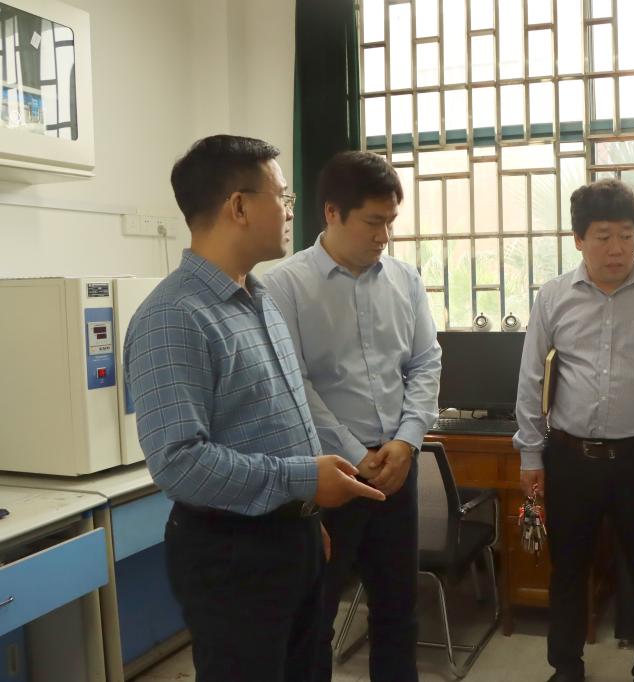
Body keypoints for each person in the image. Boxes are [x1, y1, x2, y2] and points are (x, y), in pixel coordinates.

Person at [124, 135, 385, 682]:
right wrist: (303, 482)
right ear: (239, 206)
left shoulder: (258, 299)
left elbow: (283, 417)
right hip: (233, 555)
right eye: (283, 198)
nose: (290, 212)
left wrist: (306, 517)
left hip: (292, 539)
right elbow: (179, 463)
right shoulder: (173, 317)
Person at [513, 179, 634, 682]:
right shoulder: (554, 296)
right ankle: (566, 668)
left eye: (626, 235)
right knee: (568, 571)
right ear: (579, 239)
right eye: (603, 236)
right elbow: (531, 378)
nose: (617, 248)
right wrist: (530, 455)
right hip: (570, 458)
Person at [264, 150, 442, 682]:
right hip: (328, 476)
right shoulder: (284, 286)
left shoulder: (405, 280)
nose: (383, 235)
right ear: (332, 212)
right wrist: (354, 453)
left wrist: (407, 441)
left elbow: (425, 361)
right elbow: (293, 384)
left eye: (390, 222)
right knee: (314, 616)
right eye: (372, 221)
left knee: (398, 612)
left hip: (396, 469)